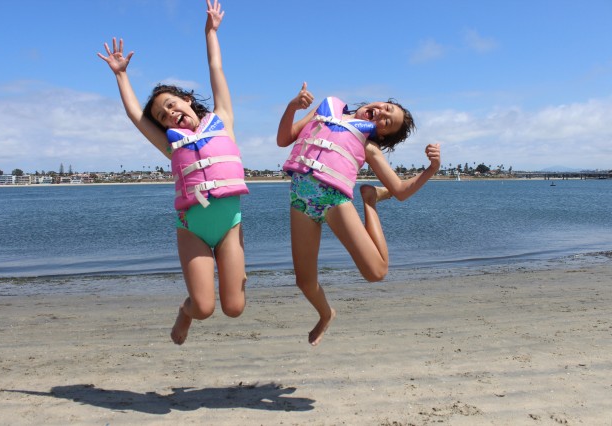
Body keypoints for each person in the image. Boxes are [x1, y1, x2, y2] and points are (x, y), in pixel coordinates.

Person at [98, 0, 248, 345]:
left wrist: (210, 32)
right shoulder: (172, 146)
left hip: (229, 227)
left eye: (171, 105)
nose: (170, 114)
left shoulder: (222, 121)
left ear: (187, 101)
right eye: (163, 117)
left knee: (235, 308)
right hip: (192, 230)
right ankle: (185, 312)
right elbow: (137, 116)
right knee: (204, 306)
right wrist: (121, 75)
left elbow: (216, 68)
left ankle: (234, 274)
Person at [277, 82, 441, 346]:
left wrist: (431, 169)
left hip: (334, 201)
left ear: (381, 134)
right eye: (386, 108)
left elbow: (399, 190)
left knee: (376, 273)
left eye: (388, 121)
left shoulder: (367, 144)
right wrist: (292, 107)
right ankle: (326, 313)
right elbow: (283, 139)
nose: (383, 114)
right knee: (305, 282)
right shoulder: (326, 107)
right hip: (301, 202)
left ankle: (370, 200)